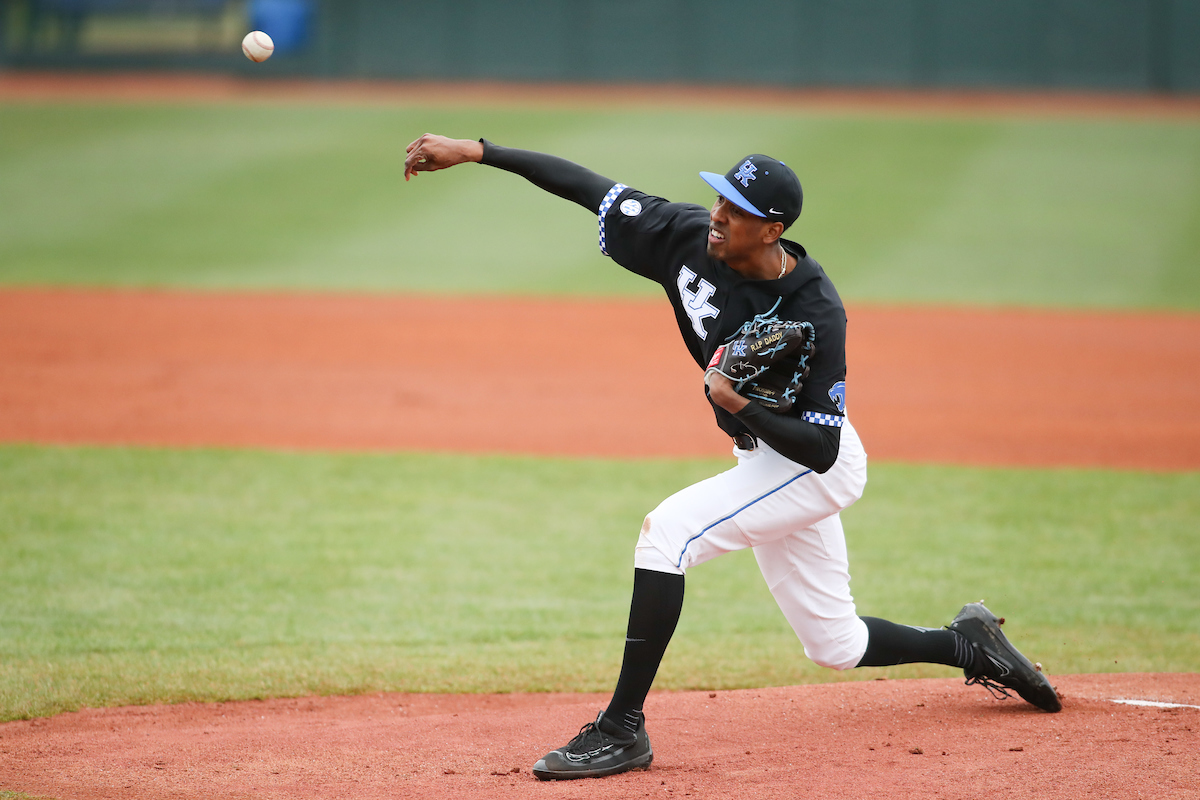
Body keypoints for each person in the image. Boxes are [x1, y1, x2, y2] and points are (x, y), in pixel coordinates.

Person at [403, 134, 1062, 781]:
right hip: (766, 461)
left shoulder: (815, 309)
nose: (718, 215)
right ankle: (967, 643)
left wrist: (740, 404)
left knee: (666, 535)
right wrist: (479, 152)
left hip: (810, 464)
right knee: (835, 645)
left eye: (736, 210)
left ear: (772, 229)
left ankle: (620, 730)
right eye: (719, 199)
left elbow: (825, 450)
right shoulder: (686, 235)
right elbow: (588, 188)